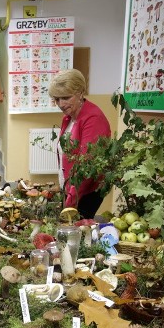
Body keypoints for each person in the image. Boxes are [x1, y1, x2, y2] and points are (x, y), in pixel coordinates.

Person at [49, 69, 111, 219]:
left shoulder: (93, 118)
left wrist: (70, 201)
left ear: (80, 93)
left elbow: (86, 167)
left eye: (65, 97)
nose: (61, 104)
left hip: (86, 190)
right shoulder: (70, 117)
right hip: (73, 189)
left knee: (77, 233)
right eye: (57, 99)